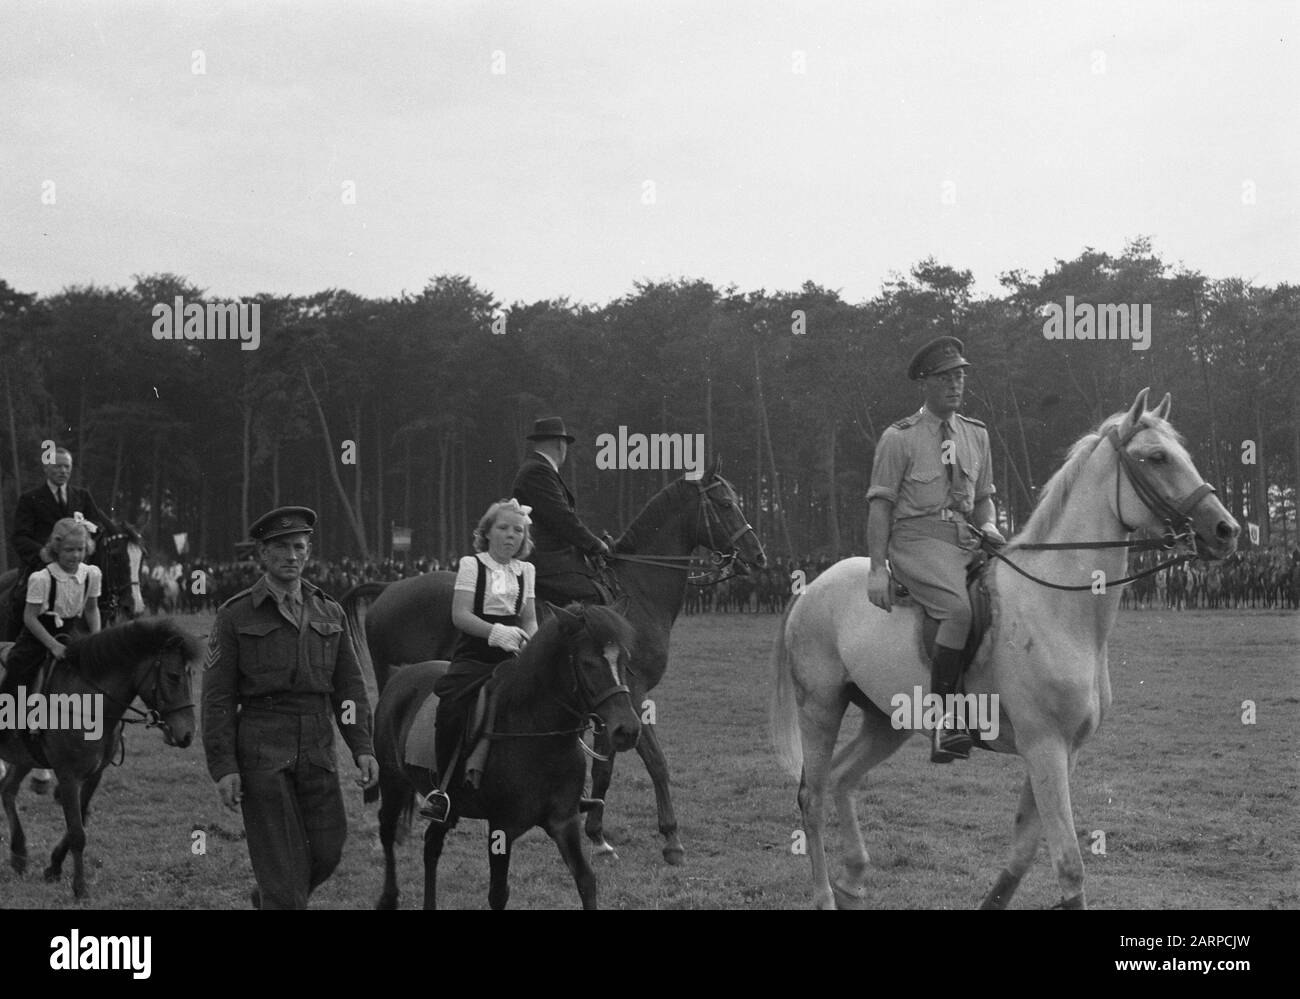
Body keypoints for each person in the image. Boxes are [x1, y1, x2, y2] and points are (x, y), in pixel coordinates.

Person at [201, 506, 378, 910]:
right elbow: (217, 697)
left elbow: (349, 688)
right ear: (261, 554)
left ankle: (273, 898)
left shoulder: (328, 611)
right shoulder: (235, 614)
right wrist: (224, 767)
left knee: (328, 849)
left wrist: (362, 747)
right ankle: (279, 899)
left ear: (309, 552)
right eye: (280, 547)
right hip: (263, 748)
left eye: (299, 546)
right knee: (282, 870)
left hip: (317, 746)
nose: (291, 556)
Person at [866, 336, 1003, 763]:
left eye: (960, 376)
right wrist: (876, 568)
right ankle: (946, 723)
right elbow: (880, 506)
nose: (956, 384)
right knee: (959, 611)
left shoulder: (976, 434)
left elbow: (983, 497)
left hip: (965, 541)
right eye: (946, 377)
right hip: (915, 543)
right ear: (925, 383)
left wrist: (990, 524)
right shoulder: (899, 438)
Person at [424, 498, 538, 823]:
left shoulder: (525, 570)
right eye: (503, 528)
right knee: (453, 707)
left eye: (518, 530)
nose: (510, 535)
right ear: (487, 532)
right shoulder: (472, 564)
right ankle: (443, 789)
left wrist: (529, 638)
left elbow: (528, 617)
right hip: (475, 655)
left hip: (514, 655)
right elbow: (459, 615)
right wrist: (495, 633)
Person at [511, 417, 610, 606]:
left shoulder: (538, 468)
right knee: (592, 597)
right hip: (545, 562)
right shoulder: (538, 471)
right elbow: (562, 518)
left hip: (552, 560)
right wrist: (595, 544)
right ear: (560, 444)